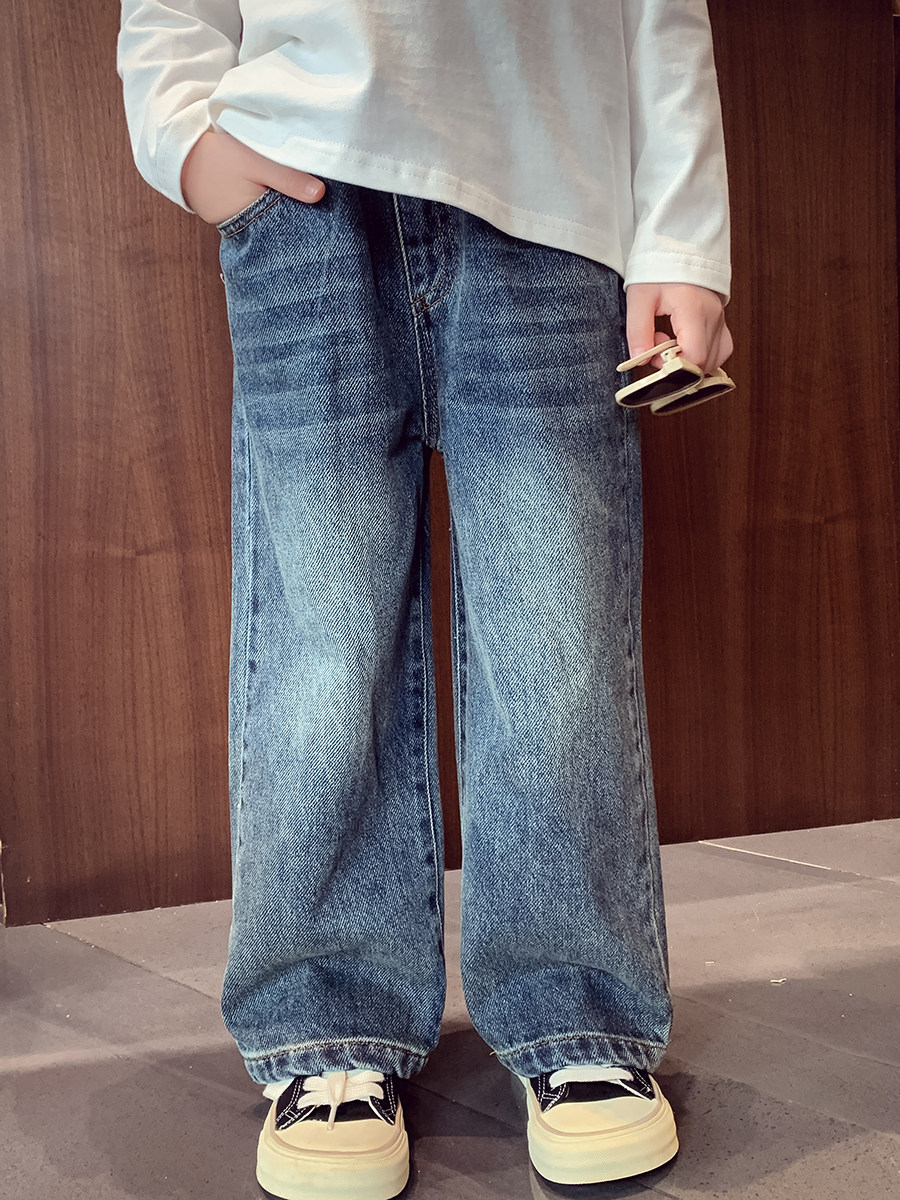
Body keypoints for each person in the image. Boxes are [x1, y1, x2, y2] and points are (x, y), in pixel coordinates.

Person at [117, 3, 732, 1197]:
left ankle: (577, 1013)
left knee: (557, 635)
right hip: (303, 184)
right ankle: (327, 1023)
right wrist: (184, 137)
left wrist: (683, 236)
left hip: (553, 192)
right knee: (321, 641)